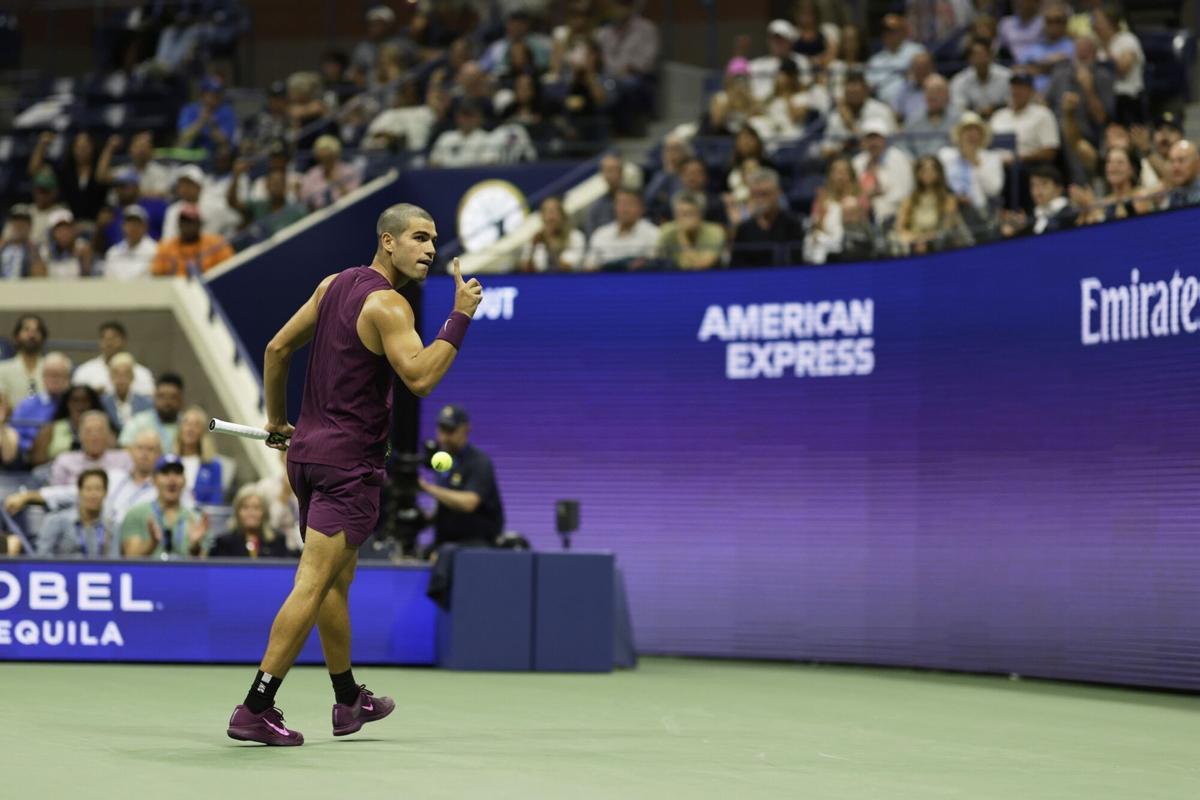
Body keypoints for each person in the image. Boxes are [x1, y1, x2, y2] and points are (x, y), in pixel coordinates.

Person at [225, 203, 483, 745]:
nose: (431, 249)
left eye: (434, 240)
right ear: (387, 242)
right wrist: (459, 316)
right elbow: (420, 377)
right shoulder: (389, 305)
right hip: (348, 467)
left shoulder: (332, 285)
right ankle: (255, 706)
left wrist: (277, 421)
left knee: (337, 582)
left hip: (308, 459)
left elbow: (277, 349)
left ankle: (347, 702)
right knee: (314, 583)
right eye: (419, 237)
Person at [8, 429, 163, 535]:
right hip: (99, 541)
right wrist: (28, 496)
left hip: (135, 544)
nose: (144, 454)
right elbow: (72, 493)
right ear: (131, 451)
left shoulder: (164, 488)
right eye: (140, 448)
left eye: (150, 449)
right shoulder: (115, 477)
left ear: (160, 454)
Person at [418, 405, 504, 552]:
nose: (443, 437)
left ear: (465, 429)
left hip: (477, 543)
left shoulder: (479, 462)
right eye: (441, 429)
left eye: (450, 431)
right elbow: (446, 501)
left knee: (446, 555)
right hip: (444, 541)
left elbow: (469, 503)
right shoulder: (442, 460)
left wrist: (427, 488)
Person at [121, 454, 208, 557]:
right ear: (154, 479)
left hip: (184, 573)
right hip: (148, 573)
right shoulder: (136, 514)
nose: (172, 479)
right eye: (165, 473)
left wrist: (195, 547)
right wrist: (152, 544)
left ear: (185, 480)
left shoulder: (196, 518)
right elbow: (129, 559)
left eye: (177, 473)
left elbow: (205, 565)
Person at [891, 156, 972, 255]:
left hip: (938, 247)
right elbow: (900, 228)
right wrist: (915, 239)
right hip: (912, 245)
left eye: (932, 169)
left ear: (939, 173)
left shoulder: (948, 199)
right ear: (917, 173)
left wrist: (925, 239)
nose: (927, 173)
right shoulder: (909, 200)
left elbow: (946, 229)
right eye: (923, 170)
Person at [729, 168, 804, 268]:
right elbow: (736, 267)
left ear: (778, 193)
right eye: (756, 195)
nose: (761, 200)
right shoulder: (744, 229)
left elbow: (796, 263)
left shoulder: (792, 224)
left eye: (765, 194)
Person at [35, 469, 116, 557]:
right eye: (88, 489)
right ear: (80, 491)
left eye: (98, 489)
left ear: (105, 492)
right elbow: (42, 557)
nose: (93, 494)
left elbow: (116, 561)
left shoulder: (111, 526)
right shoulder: (56, 521)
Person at [938, 112, 1006, 216]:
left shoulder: (992, 158)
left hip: (978, 210)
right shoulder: (945, 155)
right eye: (967, 130)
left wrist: (975, 162)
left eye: (976, 130)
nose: (972, 134)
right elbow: (938, 183)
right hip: (948, 206)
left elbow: (993, 190)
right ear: (959, 134)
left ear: (982, 135)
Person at [852, 119, 915, 225]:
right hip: (861, 209)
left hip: (891, 210)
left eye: (876, 138)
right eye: (869, 138)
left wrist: (877, 199)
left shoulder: (898, 158)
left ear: (884, 140)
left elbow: (904, 192)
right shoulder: (857, 161)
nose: (873, 143)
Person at [49, 409, 132, 487]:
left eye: (100, 431)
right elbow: (55, 492)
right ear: (80, 435)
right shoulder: (64, 460)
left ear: (108, 435)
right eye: (88, 431)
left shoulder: (124, 459)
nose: (94, 437)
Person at [8, 351, 69, 458]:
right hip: (31, 456)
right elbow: (13, 433)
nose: (53, 379)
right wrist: (29, 446)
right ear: (43, 377)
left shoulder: (73, 403)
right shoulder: (28, 404)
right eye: (49, 374)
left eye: (58, 374)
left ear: (68, 378)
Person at [73, 321, 156, 397]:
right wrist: (94, 396)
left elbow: (149, 400)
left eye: (113, 338)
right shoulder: (85, 371)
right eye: (104, 338)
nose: (109, 343)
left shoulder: (142, 373)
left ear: (124, 341)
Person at [1092, 5, 1144, 125]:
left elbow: (1122, 68)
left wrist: (1106, 47)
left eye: (1098, 20)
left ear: (1110, 22)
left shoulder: (1127, 40)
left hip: (1127, 98)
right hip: (1104, 98)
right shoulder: (1098, 46)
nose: (1094, 25)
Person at [583, 188, 660, 271]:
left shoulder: (654, 233)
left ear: (641, 208)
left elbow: (655, 267)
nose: (625, 209)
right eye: (621, 204)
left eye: (630, 204)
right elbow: (589, 267)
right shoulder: (601, 234)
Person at [29, 383, 104, 467]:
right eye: (75, 400)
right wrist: (63, 462)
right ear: (67, 403)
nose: (80, 405)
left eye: (85, 401)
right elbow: (36, 460)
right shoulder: (51, 429)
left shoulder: (104, 427)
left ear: (92, 404)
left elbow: (111, 453)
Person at [209, 486, 293, 558]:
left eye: (256, 508)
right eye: (245, 507)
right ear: (237, 512)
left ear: (265, 512)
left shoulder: (278, 541)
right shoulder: (224, 543)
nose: (251, 513)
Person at [152, 204, 235, 276]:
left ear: (199, 224)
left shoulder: (217, 244)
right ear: (179, 224)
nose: (188, 225)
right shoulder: (165, 247)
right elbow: (157, 274)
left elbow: (228, 270)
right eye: (184, 221)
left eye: (192, 221)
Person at [656, 191, 725, 270]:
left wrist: (682, 234)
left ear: (701, 214)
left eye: (691, 213)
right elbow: (657, 262)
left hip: (709, 278)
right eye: (682, 214)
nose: (687, 219)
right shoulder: (667, 231)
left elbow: (700, 266)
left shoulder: (715, 232)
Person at [865, 15, 923, 108]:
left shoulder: (916, 51)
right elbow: (869, 86)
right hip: (883, 106)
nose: (888, 34)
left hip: (912, 103)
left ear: (903, 32)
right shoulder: (875, 60)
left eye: (892, 31)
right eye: (885, 31)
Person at [119, 373, 184, 451]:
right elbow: (125, 447)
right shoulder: (139, 421)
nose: (167, 402)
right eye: (162, 396)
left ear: (181, 400)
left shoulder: (187, 424)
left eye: (173, 397)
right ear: (154, 398)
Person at [949, 38, 1012, 119]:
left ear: (990, 56)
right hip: (972, 121)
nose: (980, 59)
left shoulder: (1006, 76)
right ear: (969, 59)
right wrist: (977, 112)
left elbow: (1011, 102)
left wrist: (993, 109)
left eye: (983, 54)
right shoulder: (959, 80)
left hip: (1001, 118)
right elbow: (959, 106)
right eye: (975, 55)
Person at [519, 196, 585, 272]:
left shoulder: (576, 236)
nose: (550, 216)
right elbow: (525, 270)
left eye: (554, 211)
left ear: (562, 215)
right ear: (542, 217)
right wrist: (533, 249)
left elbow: (566, 267)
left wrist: (549, 242)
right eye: (546, 211)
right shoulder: (536, 239)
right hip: (541, 282)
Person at [174, 406, 224, 505]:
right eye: (186, 423)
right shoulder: (170, 461)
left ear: (203, 432)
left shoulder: (213, 465)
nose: (190, 429)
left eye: (196, 425)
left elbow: (215, 500)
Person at [177, 76, 238, 155]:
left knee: (224, 150)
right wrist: (201, 121)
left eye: (218, 94)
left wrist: (211, 124)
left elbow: (224, 139)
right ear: (202, 94)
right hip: (192, 156)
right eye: (211, 94)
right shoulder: (190, 110)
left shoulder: (226, 111)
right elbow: (184, 136)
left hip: (215, 157)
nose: (215, 98)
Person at [299, 136, 362, 210]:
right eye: (321, 158)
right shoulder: (312, 174)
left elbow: (355, 201)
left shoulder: (349, 172)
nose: (325, 162)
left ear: (335, 155)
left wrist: (339, 184)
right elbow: (305, 201)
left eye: (328, 158)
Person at [0, 314, 47, 405]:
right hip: (12, 418)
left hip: (46, 419)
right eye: (26, 330)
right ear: (17, 336)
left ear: (43, 337)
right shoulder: (2, 369)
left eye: (36, 330)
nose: (31, 335)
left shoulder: (51, 369)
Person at [101, 206, 158, 279]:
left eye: (137, 224)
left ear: (145, 226)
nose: (133, 227)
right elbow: (107, 280)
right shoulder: (113, 252)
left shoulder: (155, 250)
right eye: (129, 223)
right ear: (123, 226)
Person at [100, 352, 153, 432]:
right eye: (116, 374)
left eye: (125, 374)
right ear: (110, 377)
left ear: (132, 377)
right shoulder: (102, 403)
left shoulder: (147, 403)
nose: (121, 379)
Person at [40, 209, 95, 278]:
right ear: (52, 232)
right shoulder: (45, 250)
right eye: (59, 230)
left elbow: (88, 278)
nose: (64, 233)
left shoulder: (82, 247)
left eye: (66, 229)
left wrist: (85, 259)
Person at [1, 204, 46, 279]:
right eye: (16, 222)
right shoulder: (4, 246)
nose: (19, 226)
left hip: (25, 288)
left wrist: (31, 247)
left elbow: (40, 277)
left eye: (23, 222)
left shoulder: (38, 248)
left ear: (30, 226)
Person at [1165, 140, 1200, 209]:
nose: (1175, 167)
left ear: (1198, 163)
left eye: (1181, 160)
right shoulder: (1173, 195)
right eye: (1172, 161)